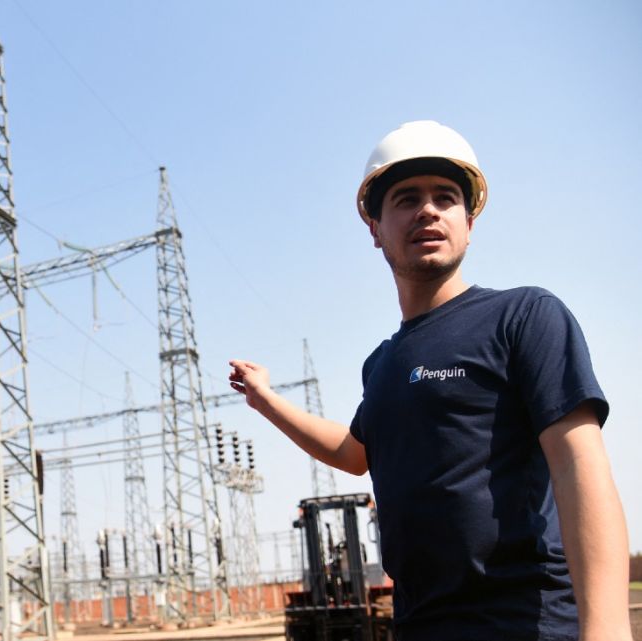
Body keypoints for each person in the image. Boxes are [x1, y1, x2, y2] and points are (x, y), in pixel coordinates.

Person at [228, 120, 631, 640]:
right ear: (374, 228)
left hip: (523, 622)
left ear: (469, 222)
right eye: (405, 198)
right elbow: (354, 454)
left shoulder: (524, 316)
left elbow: (581, 469)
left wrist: (606, 630)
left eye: (446, 197)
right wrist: (266, 401)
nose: (428, 210)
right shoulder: (382, 363)